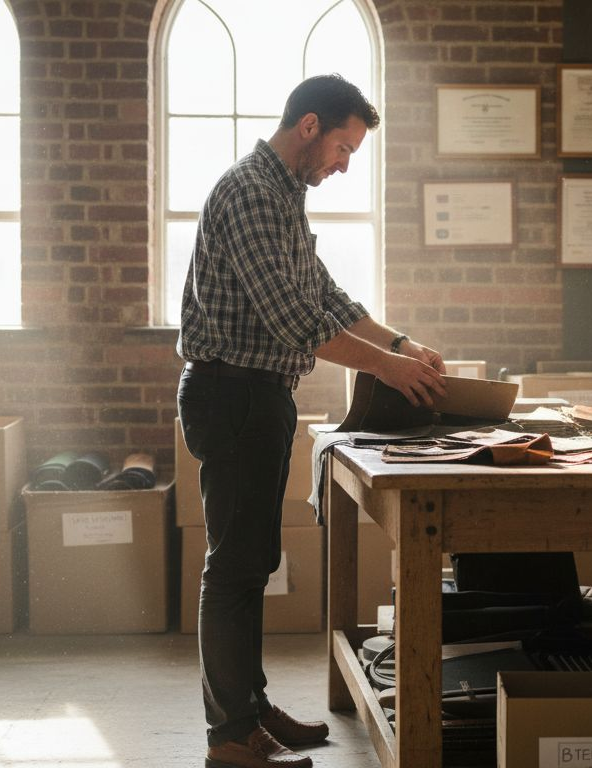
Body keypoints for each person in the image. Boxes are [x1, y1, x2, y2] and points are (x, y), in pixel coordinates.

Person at [176, 74, 447, 768]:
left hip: (260, 394)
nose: (344, 164)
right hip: (232, 395)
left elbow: (326, 295)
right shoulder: (250, 193)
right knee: (233, 569)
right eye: (343, 147)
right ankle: (230, 736)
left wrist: (402, 344)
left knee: (253, 563)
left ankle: (250, 709)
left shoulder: (284, 196)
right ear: (309, 127)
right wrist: (388, 369)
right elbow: (297, 321)